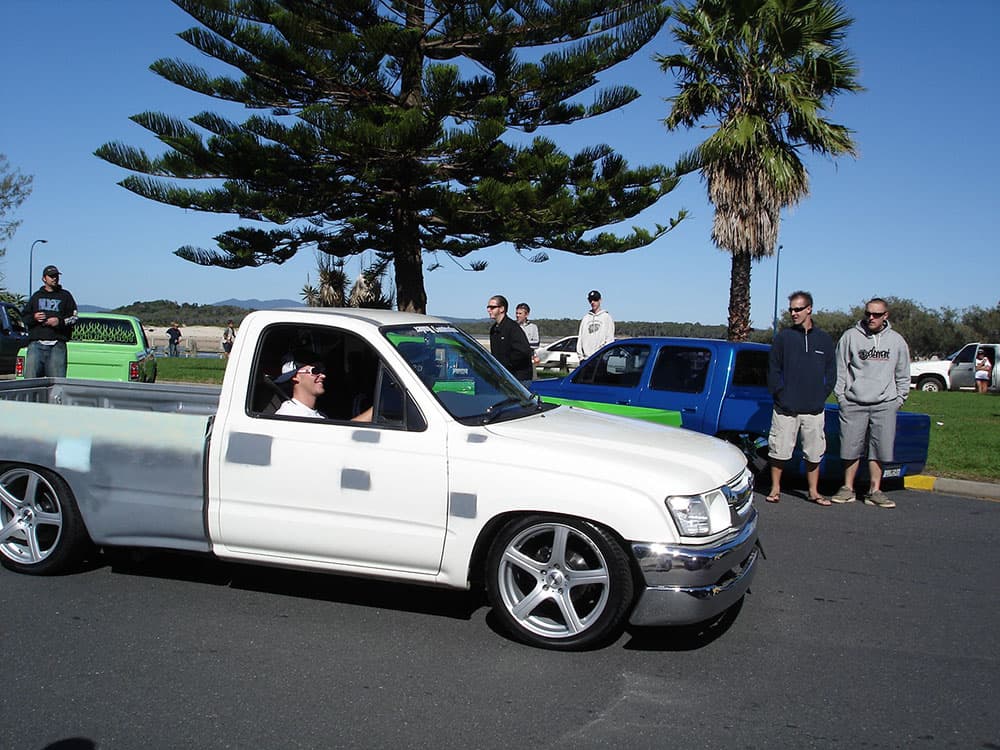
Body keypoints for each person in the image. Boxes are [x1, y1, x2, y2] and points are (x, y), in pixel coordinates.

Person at [831, 297, 911, 509]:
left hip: (885, 403)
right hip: (854, 402)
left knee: (880, 448)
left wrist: (898, 399)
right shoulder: (850, 337)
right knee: (850, 446)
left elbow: (903, 374)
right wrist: (841, 396)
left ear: (886, 316)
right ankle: (847, 487)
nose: (871, 318)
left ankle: (875, 490)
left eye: (876, 314)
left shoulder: (896, 341)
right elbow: (840, 368)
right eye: (868, 313)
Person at [765, 291, 837, 506]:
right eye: (791, 310)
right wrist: (780, 393)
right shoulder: (783, 338)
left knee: (814, 453)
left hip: (814, 409)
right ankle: (775, 488)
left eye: (798, 309)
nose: (793, 313)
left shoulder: (824, 340)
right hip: (786, 407)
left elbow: (831, 371)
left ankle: (814, 491)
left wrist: (821, 394)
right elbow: (773, 369)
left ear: (809, 309)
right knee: (779, 451)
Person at [274, 353, 372, 422]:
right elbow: (341, 437)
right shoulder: (289, 416)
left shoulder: (317, 415)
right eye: (315, 371)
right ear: (295, 377)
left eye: (322, 370)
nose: (323, 375)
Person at [22, 265, 78, 378]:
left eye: (56, 276)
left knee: (57, 384)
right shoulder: (36, 296)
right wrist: (34, 317)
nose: (54, 278)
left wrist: (59, 322)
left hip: (57, 345)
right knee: (30, 381)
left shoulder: (65, 296)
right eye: (51, 276)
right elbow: (24, 318)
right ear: (44, 278)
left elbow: (74, 318)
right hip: (36, 345)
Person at [487, 295, 532, 381]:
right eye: (488, 307)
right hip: (503, 377)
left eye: (492, 307)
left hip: (519, 379)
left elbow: (523, 352)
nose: (489, 310)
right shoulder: (494, 329)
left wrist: (505, 365)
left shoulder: (513, 328)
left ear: (501, 309)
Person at [577, 290, 615, 360]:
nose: (593, 302)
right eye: (590, 300)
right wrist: (581, 357)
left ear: (600, 300)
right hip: (586, 359)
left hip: (600, 358)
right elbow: (580, 338)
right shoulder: (585, 318)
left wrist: (603, 355)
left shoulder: (607, 317)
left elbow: (610, 339)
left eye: (595, 300)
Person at [515, 302, 540, 377]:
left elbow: (536, 344)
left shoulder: (533, 327)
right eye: (516, 313)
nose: (517, 315)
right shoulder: (513, 326)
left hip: (529, 360)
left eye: (520, 313)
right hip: (515, 361)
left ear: (526, 314)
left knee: (531, 381)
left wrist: (520, 344)